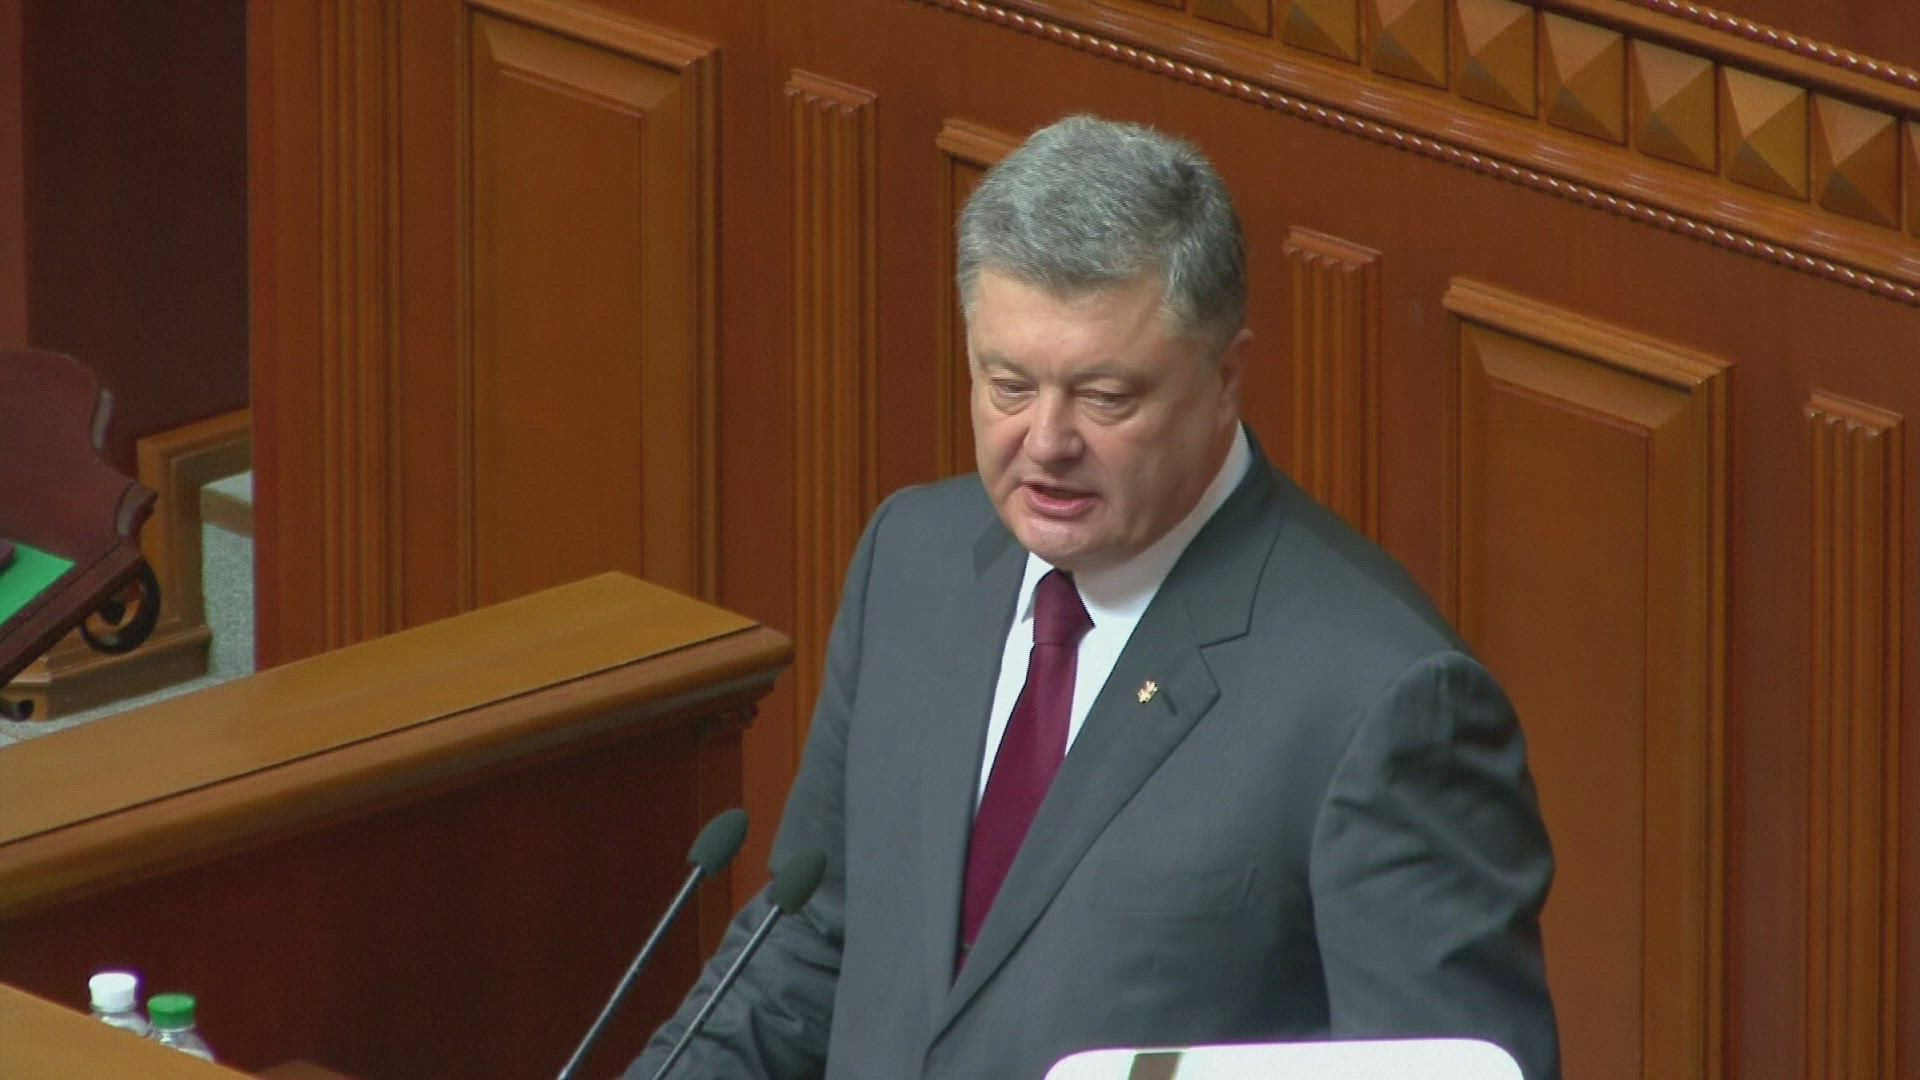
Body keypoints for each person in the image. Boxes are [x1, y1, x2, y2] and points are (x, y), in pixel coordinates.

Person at [624, 114, 1558, 1080]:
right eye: (1008, 386)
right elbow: (813, 945)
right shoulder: (913, 561)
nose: (1046, 442)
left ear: (1226, 377)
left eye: (1106, 397)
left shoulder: (1383, 700)